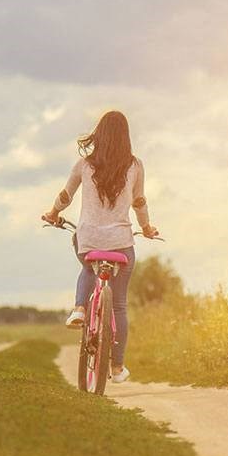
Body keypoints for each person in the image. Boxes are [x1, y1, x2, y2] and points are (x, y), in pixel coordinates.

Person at [42, 110, 158, 383]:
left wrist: (52, 213)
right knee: (118, 305)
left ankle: (80, 309)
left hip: (89, 239)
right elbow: (139, 201)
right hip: (121, 244)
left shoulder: (85, 165)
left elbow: (65, 195)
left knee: (88, 267)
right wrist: (146, 228)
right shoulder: (135, 165)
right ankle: (116, 368)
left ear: (100, 135)